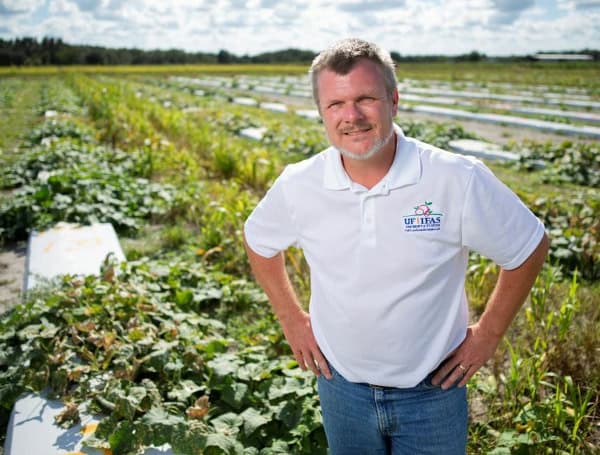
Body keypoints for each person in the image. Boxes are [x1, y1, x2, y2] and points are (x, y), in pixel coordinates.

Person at [243, 38, 549, 454]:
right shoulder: (300, 184)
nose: (351, 116)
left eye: (366, 98)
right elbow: (259, 241)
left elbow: (528, 246)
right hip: (341, 388)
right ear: (321, 113)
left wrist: (489, 334)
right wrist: (290, 318)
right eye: (335, 105)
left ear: (394, 100)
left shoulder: (455, 178)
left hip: (433, 392)